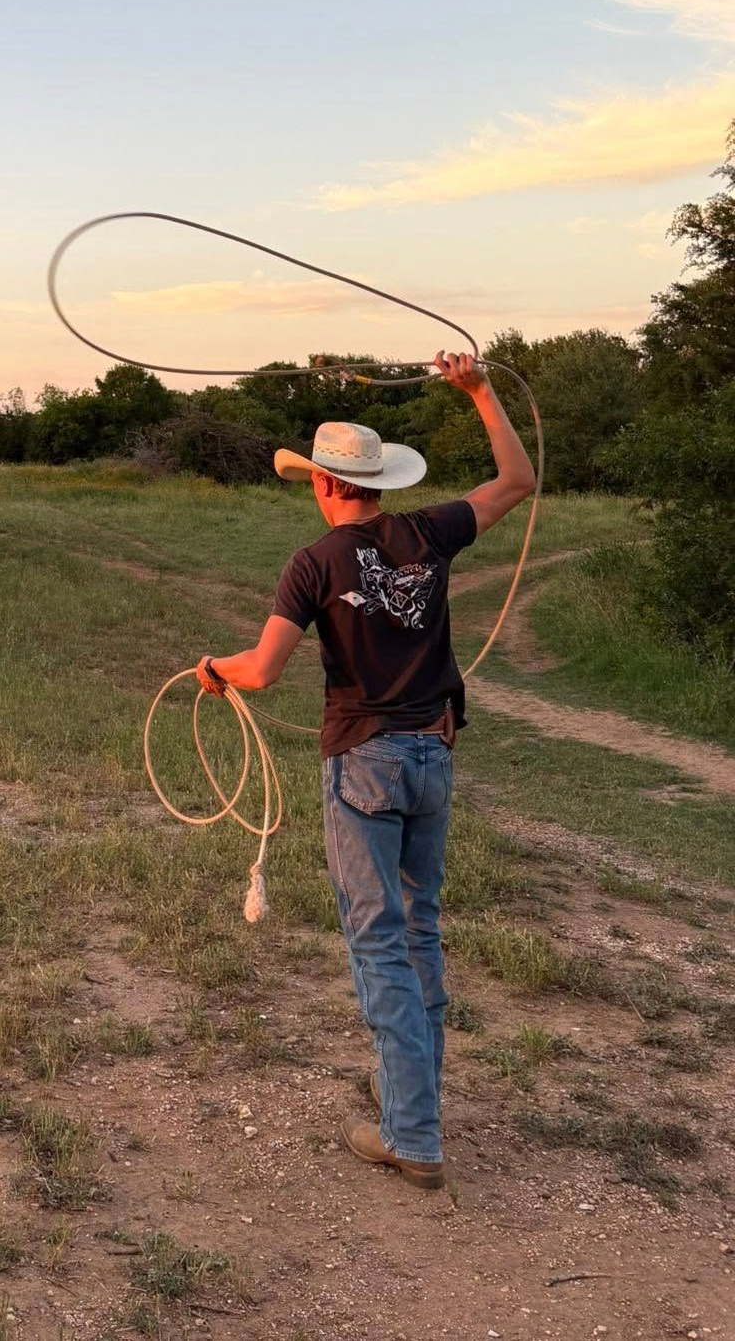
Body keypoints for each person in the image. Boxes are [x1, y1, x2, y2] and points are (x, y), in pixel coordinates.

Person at [195, 351, 535, 1189]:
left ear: (321, 483)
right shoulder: (431, 531)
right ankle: (409, 1101)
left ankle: (412, 1135)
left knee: (379, 943)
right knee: (418, 932)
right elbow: (518, 479)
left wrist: (215, 669)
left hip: (363, 765)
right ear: (378, 481)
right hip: (433, 756)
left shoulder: (313, 563)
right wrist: (480, 391)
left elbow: (264, 669)